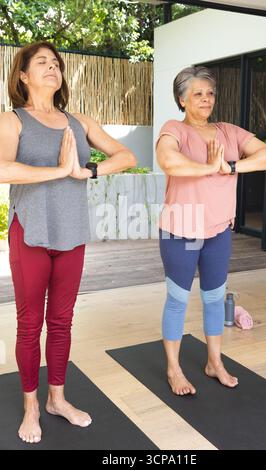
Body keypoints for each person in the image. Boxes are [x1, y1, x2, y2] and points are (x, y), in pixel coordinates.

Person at [0, 41, 136, 443]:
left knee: (61, 321)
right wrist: (59, 170)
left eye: (56, 63)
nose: (52, 68)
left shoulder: (80, 120)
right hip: (32, 231)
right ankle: (31, 405)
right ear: (23, 75)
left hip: (72, 232)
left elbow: (125, 156)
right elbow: (3, 168)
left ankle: (57, 398)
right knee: (30, 324)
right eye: (41, 62)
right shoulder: (13, 120)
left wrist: (87, 172)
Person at [156, 66, 266, 396]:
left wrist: (232, 166)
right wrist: (209, 168)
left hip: (218, 231)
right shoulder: (174, 129)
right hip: (181, 230)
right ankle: (174, 368)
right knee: (178, 300)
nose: (206, 99)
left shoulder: (228, 131)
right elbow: (168, 161)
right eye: (197, 93)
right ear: (182, 99)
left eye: (210, 93)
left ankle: (214, 363)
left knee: (213, 300)